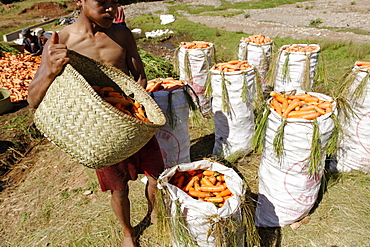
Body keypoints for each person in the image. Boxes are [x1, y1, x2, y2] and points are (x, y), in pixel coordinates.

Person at [27, 0, 164, 246]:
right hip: (103, 131)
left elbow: (140, 76)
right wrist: (50, 72)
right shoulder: (62, 41)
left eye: (115, 2)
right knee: (119, 188)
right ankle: (127, 232)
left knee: (155, 175)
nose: (111, 9)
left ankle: (153, 212)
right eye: (103, 2)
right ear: (80, 1)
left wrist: (136, 108)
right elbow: (32, 99)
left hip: (135, 122)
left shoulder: (122, 33)